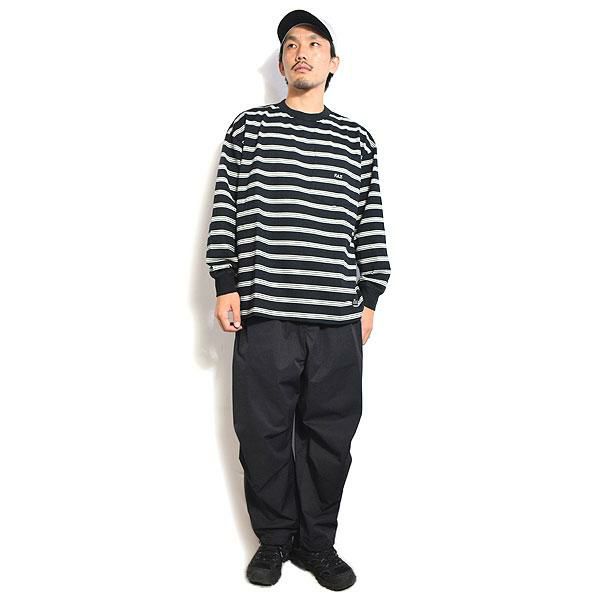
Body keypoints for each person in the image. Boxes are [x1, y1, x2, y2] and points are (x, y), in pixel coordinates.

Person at [205, 9, 391, 591]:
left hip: (336, 318)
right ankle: (275, 540)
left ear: (334, 63)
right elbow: (226, 206)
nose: (301, 51)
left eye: (314, 43)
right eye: (290, 44)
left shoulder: (357, 141)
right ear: (282, 62)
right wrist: (225, 281)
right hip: (265, 314)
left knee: (330, 438)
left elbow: (369, 223)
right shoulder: (250, 129)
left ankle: (317, 544)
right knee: (261, 435)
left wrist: (370, 297)